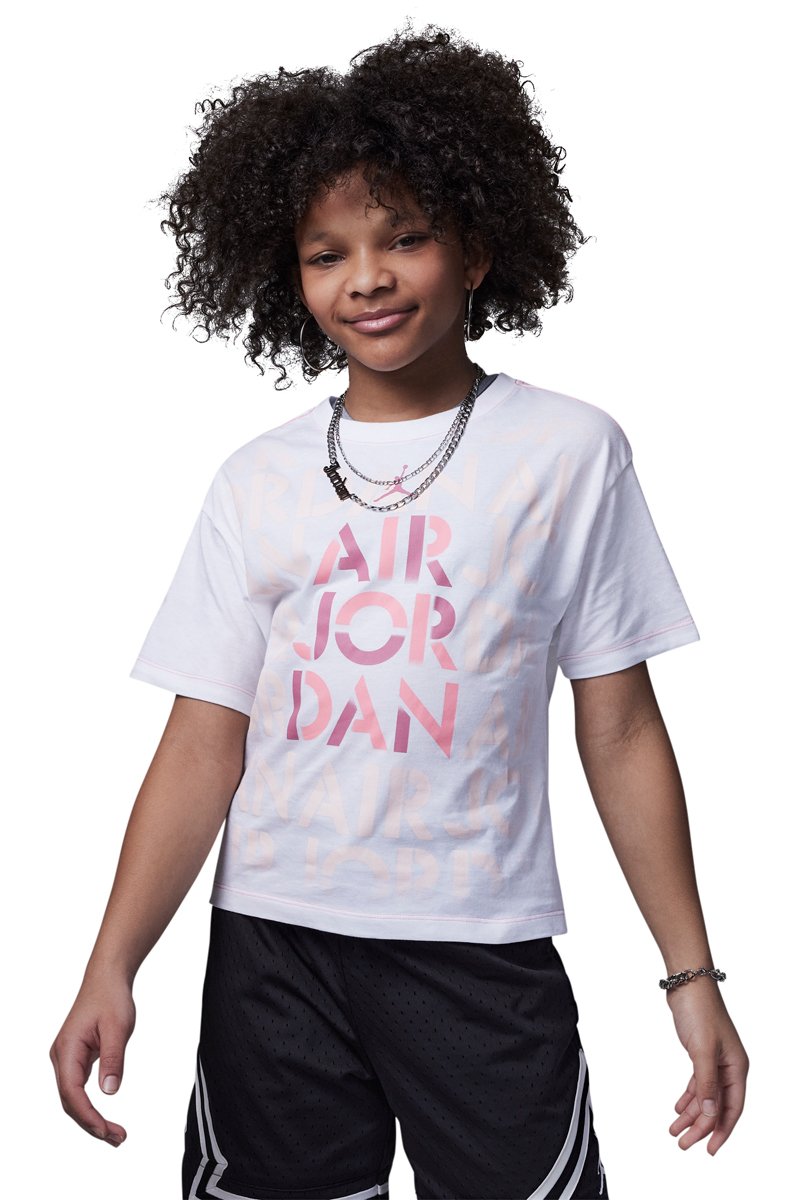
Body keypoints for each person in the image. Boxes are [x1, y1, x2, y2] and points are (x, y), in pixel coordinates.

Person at [49, 24, 749, 1200]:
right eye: (326, 253)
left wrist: (691, 979)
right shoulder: (256, 478)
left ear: (476, 249)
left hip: (476, 949)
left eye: (404, 237)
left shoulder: (567, 451)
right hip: (272, 952)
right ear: (288, 276)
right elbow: (203, 736)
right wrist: (111, 963)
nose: (365, 278)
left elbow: (619, 725)